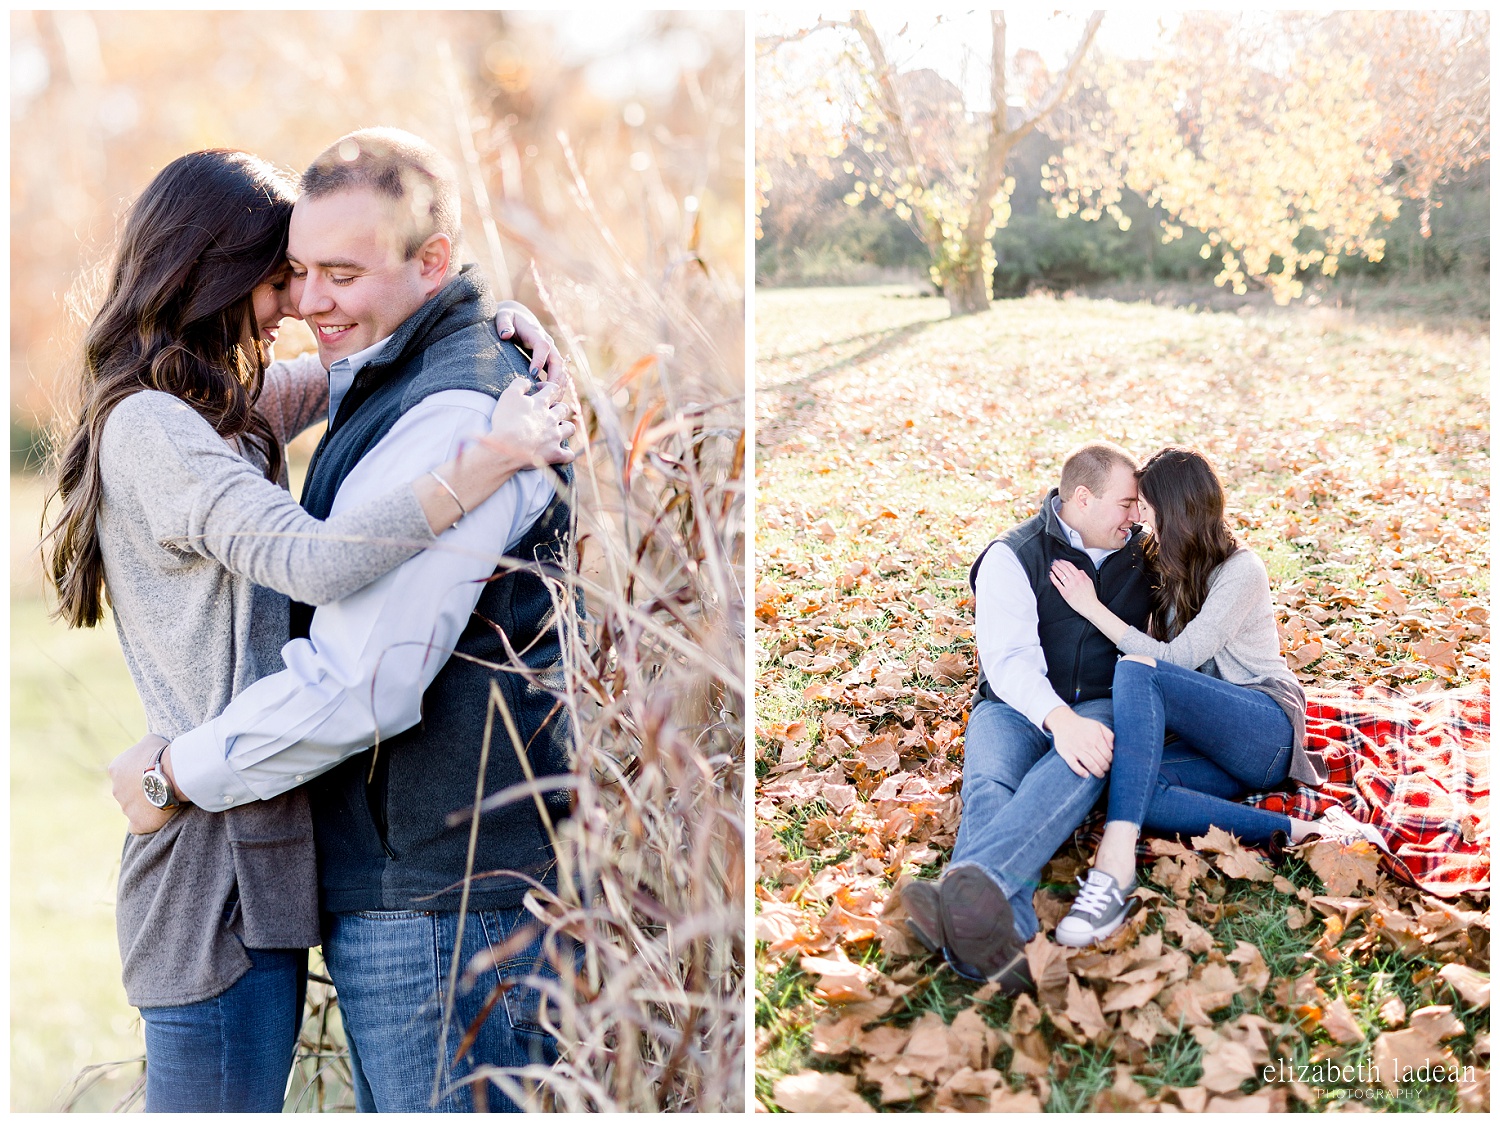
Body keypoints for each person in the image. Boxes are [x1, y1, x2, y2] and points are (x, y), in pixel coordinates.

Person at [43, 148, 573, 1113]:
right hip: (204, 863)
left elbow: (354, 376)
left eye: (321, 273)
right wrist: (482, 465)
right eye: (281, 275)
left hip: (258, 840)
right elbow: (318, 559)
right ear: (215, 271)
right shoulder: (155, 430)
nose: (296, 302)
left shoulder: (219, 409)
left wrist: (493, 316)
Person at [1046, 447, 1382, 947]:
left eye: (1145, 505)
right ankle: (1298, 831)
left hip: (1263, 727)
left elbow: (1174, 660)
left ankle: (1112, 869)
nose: (1137, 515)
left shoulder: (1241, 570)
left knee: (1139, 672)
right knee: (1137, 787)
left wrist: (1092, 609)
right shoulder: (1169, 564)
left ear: (1175, 511)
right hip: (1209, 738)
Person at [900, 441, 1154, 986]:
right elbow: (1009, 661)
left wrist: (1077, 724)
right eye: (1127, 503)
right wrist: (1057, 719)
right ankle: (999, 939)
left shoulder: (1144, 556)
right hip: (1013, 704)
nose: (1136, 516)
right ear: (1082, 499)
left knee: (1084, 757)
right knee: (991, 785)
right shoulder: (1012, 555)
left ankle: (967, 899)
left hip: (1101, 702)